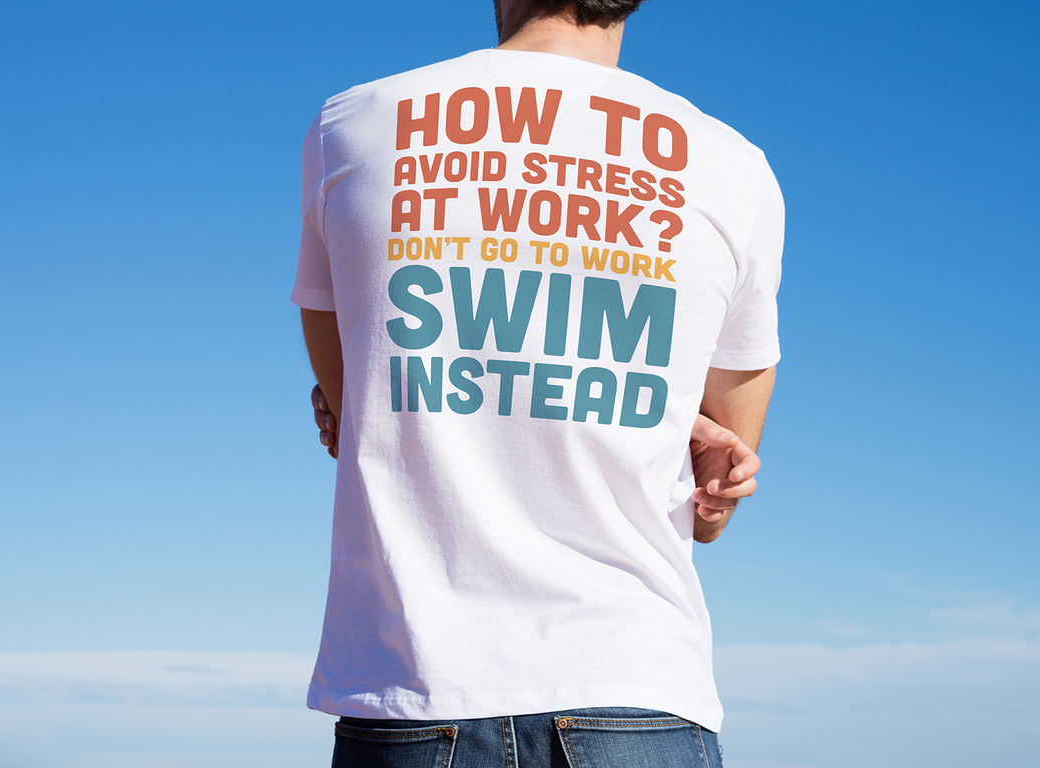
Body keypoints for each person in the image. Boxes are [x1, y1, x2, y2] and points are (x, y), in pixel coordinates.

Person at [292, 0, 783, 764]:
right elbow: (710, 502)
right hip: (636, 688)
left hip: (418, 686)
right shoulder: (732, 166)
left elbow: (361, 402)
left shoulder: (353, 123)